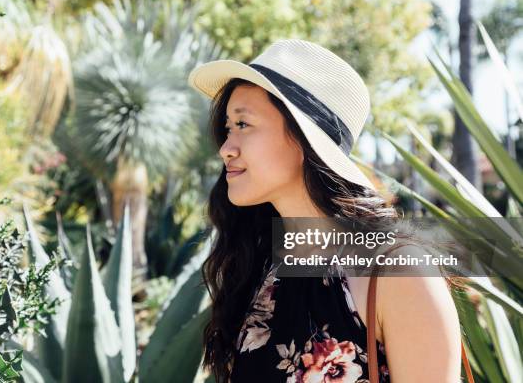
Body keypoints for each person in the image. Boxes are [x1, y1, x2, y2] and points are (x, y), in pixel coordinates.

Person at [187, 39, 463, 383]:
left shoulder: (396, 273)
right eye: (228, 128)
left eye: (243, 125)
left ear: (304, 138)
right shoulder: (259, 270)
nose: (226, 148)